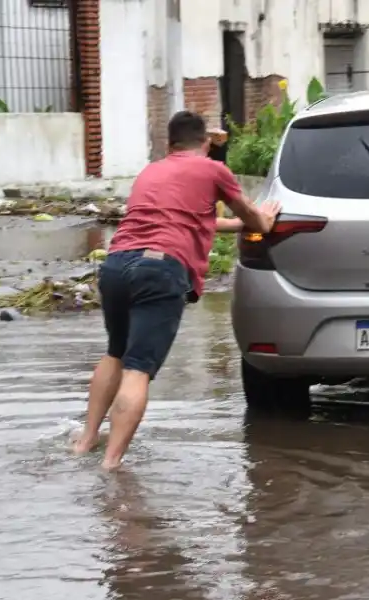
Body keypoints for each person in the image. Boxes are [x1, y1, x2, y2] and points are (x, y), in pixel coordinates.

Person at [73, 110, 281, 470]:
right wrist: (265, 218)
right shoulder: (213, 169)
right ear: (205, 143)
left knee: (116, 354)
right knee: (137, 369)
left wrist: (230, 225)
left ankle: (85, 441)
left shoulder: (152, 171)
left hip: (116, 264)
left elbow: (187, 217)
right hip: (160, 269)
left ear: (170, 145)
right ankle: (111, 466)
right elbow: (254, 217)